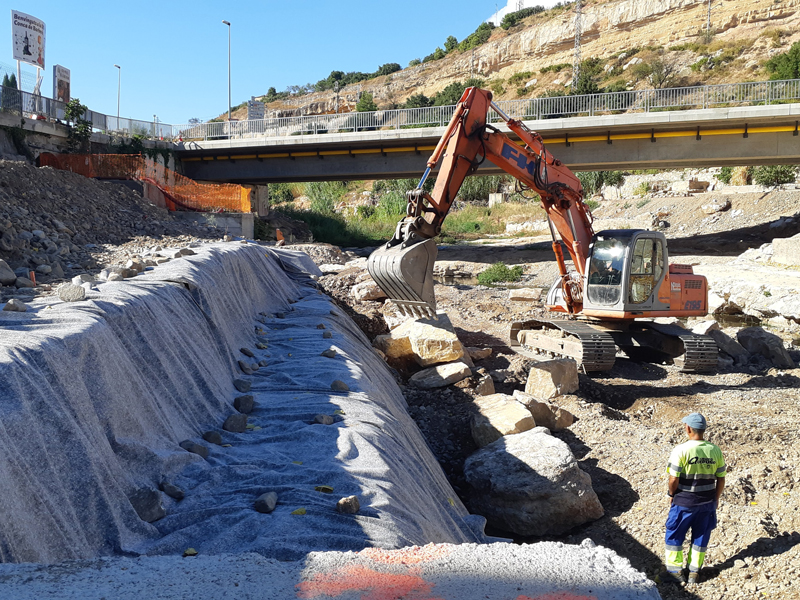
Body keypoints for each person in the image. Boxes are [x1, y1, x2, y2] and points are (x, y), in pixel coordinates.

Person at [659, 413, 726, 586]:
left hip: (684, 502)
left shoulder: (681, 450)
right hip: (707, 503)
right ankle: (694, 572)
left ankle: (674, 572)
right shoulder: (715, 450)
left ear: (688, 428)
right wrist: (716, 499)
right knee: (701, 537)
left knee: (674, 535)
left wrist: (671, 494)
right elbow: (721, 478)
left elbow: (673, 479)